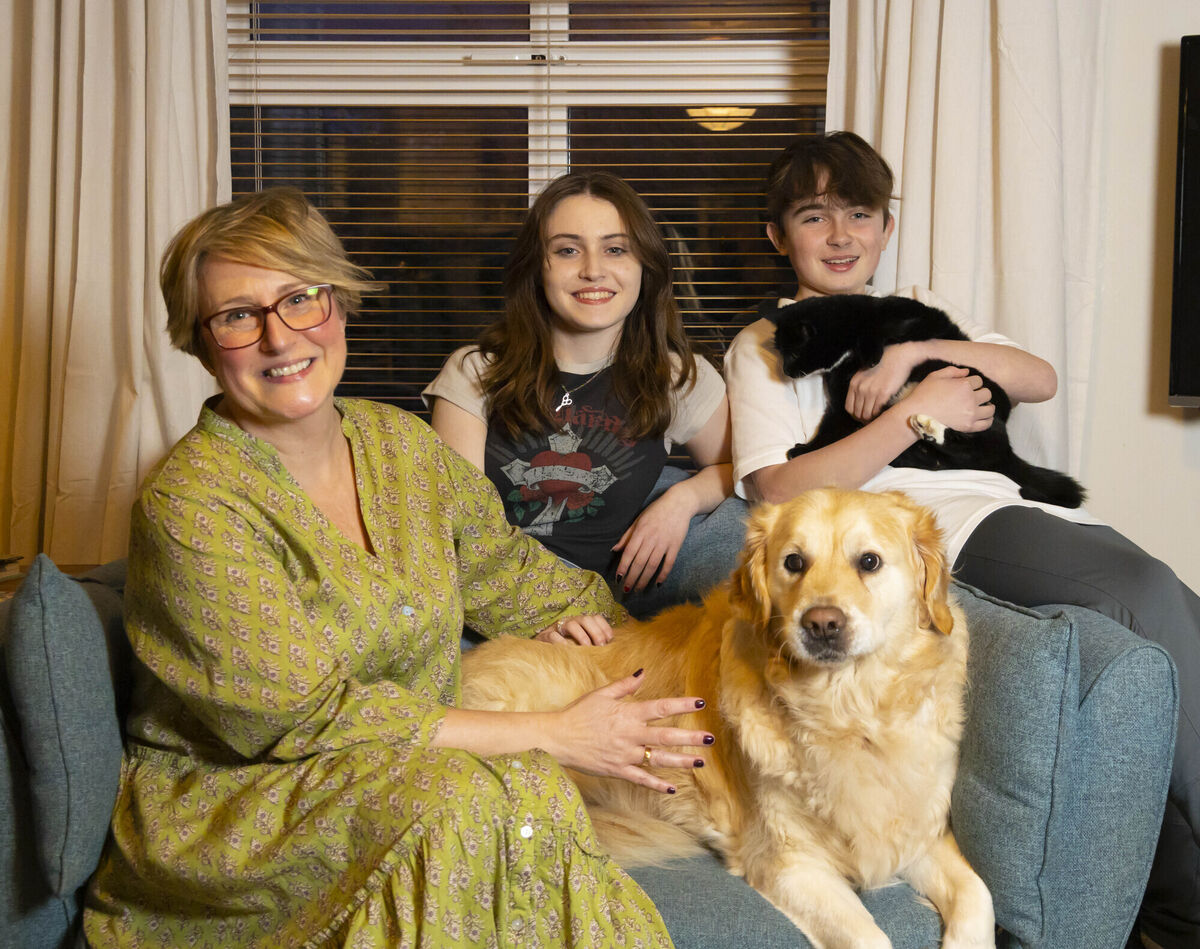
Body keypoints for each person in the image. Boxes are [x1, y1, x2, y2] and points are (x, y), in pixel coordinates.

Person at [82, 187, 716, 948]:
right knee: (468, 795)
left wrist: (626, 659)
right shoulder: (191, 502)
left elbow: (502, 564)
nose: (280, 337)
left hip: (403, 765)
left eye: (301, 298)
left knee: (521, 786)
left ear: (339, 304)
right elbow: (304, 719)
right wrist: (557, 728)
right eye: (238, 316)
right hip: (242, 800)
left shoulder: (395, 443)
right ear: (200, 340)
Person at [722, 130, 1200, 949]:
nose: (841, 237)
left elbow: (1037, 377)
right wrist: (918, 413)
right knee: (1145, 592)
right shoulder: (766, 344)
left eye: (861, 214)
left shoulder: (926, 316)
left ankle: (1177, 913)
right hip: (925, 530)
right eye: (814, 216)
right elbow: (777, 488)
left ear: (886, 226)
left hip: (1011, 503)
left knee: (1149, 634)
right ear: (779, 236)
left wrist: (916, 353)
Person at [424, 171, 746, 619]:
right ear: (538, 267)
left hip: (609, 610)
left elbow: (744, 470)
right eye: (568, 250)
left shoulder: (674, 376)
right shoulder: (477, 370)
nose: (593, 269)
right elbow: (457, 529)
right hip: (493, 604)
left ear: (643, 267)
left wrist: (682, 501)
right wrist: (540, 615)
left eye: (615, 249)